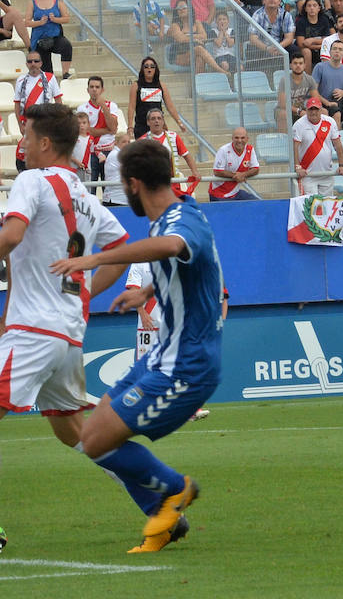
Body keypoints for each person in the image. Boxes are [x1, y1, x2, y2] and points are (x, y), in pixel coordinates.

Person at [0, 102, 131, 558]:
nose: (20, 144)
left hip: (37, 330)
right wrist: (81, 298)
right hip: (66, 331)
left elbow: (12, 236)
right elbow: (120, 250)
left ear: (45, 144)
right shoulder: (85, 197)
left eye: (25, 136)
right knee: (76, 433)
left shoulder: (31, 181)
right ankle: (157, 495)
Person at [49, 138, 224, 554]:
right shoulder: (168, 218)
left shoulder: (181, 219)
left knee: (95, 442)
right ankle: (164, 518)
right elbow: (180, 263)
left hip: (188, 365)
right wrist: (145, 291)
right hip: (161, 355)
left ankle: (174, 489)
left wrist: (96, 260)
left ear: (133, 184)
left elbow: (174, 247)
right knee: (92, 435)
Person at [124, 262, 213, 423]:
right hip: (149, 326)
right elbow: (133, 290)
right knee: (145, 369)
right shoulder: (138, 264)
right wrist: (142, 313)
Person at [139, 108, 200, 197]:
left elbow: (186, 155)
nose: (156, 121)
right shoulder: (142, 141)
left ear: (163, 121)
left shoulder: (174, 137)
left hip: (173, 184)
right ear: (148, 122)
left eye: (159, 118)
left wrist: (195, 171)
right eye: (153, 118)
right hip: (152, 185)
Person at [293, 96, 343, 195]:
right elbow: (295, 147)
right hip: (307, 175)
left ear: (321, 110)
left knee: (327, 204)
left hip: (326, 174)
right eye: (311, 109)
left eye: (316, 109)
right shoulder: (299, 125)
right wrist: (298, 167)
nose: (313, 112)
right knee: (311, 206)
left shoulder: (330, 122)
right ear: (306, 110)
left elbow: (338, 144)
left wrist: (341, 165)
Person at [128, 57, 186, 139]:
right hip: (142, 126)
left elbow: (170, 106)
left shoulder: (161, 85)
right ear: (142, 69)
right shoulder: (136, 85)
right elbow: (131, 106)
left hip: (158, 125)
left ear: (155, 69)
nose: (149, 69)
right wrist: (130, 126)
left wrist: (179, 122)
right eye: (146, 66)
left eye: (152, 66)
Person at [168, 0, 229, 74]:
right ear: (176, 11)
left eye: (184, 7)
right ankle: (219, 70)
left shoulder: (197, 23)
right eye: (179, 8)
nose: (181, 10)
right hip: (179, 56)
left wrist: (189, 37)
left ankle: (198, 83)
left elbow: (204, 37)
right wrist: (196, 39)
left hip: (194, 54)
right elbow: (181, 39)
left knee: (200, 58)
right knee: (199, 49)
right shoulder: (175, 25)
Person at [78, 76, 120, 184]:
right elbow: (87, 132)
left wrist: (104, 107)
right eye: (91, 87)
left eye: (97, 87)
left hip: (108, 151)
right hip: (90, 151)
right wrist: (108, 131)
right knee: (90, 186)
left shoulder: (111, 106)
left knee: (108, 186)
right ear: (87, 90)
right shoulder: (82, 108)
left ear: (102, 89)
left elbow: (113, 127)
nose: (94, 89)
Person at [313, 39, 343, 128]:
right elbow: (313, 91)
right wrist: (327, 103)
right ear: (329, 52)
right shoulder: (320, 67)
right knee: (336, 113)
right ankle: (336, 140)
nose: (337, 51)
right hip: (322, 104)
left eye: (340, 49)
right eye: (334, 49)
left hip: (339, 104)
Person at [246, 0, 297, 75]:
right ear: (263, 1)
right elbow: (253, 38)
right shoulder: (257, 15)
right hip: (262, 48)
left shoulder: (286, 15)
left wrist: (278, 47)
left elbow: (289, 38)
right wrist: (267, 48)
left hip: (280, 46)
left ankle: (294, 78)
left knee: (294, 49)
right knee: (252, 50)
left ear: (280, 2)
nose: (272, 0)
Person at [209, 127, 260, 201]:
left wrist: (243, 175)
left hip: (235, 193)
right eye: (236, 138)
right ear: (232, 138)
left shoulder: (250, 149)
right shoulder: (223, 150)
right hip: (219, 193)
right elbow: (217, 172)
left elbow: (256, 169)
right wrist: (235, 176)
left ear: (247, 139)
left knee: (257, 203)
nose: (239, 141)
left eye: (242, 138)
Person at [276, 52, 322, 131]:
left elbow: (316, 100)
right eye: (295, 63)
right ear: (290, 65)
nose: (298, 65)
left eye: (300, 63)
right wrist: (299, 111)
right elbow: (283, 105)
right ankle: (285, 140)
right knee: (283, 114)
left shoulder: (310, 79)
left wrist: (308, 110)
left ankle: (318, 139)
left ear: (304, 66)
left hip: (303, 109)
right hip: (287, 110)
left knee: (323, 111)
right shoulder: (285, 80)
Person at [13, 51, 63, 123]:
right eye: (30, 61)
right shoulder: (20, 80)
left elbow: (58, 101)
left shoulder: (50, 77)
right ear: (26, 64)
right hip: (28, 122)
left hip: (46, 121)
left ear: (40, 63)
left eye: (36, 61)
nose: (33, 64)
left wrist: (58, 121)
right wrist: (20, 124)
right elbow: (17, 104)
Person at [27, 0, 72, 77]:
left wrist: (55, 19)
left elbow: (66, 18)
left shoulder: (58, 2)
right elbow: (27, 22)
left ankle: (65, 73)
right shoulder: (32, 2)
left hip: (55, 37)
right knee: (47, 72)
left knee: (66, 45)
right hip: (39, 39)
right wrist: (40, 22)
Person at [296, 0, 334, 73]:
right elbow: (301, 44)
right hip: (305, 50)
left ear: (319, 8)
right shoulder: (301, 21)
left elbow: (327, 40)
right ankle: (308, 79)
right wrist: (319, 44)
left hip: (319, 47)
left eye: (314, 5)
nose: (312, 8)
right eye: (309, 6)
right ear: (305, 9)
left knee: (330, 49)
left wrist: (312, 41)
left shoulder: (324, 20)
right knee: (307, 51)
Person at [102, 131, 130, 206]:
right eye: (124, 142)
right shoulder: (117, 155)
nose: (127, 144)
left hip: (120, 198)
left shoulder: (119, 154)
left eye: (128, 142)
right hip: (115, 198)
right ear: (116, 143)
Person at [70, 111, 93, 181]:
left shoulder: (91, 139)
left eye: (84, 123)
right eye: (79, 123)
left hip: (87, 170)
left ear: (88, 124)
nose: (81, 125)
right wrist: (76, 161)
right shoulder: (73, 137)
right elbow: (67, 153)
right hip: (75, 168)